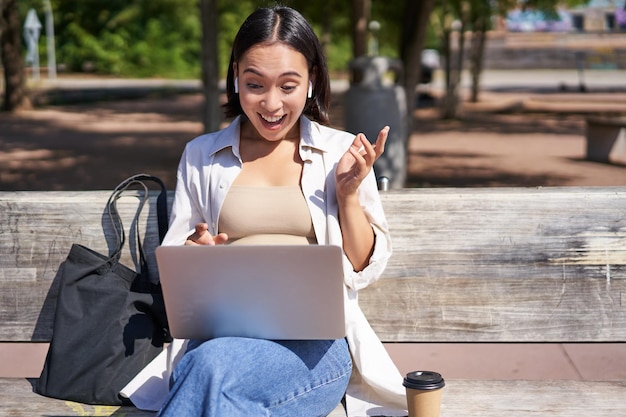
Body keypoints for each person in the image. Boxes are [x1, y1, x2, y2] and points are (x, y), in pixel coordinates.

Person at [121, 6, 407, 417]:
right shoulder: (202, 155)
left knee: (206, 374)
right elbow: (176, 264)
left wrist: (347, 195)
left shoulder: (341, 153)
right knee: (217, 384)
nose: (271, 104)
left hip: (315, 350)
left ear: (312, 81)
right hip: (221, 339)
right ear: (236, 75)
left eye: (288, 86)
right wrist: (194, 251)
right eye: (255, 84)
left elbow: (365, 268)